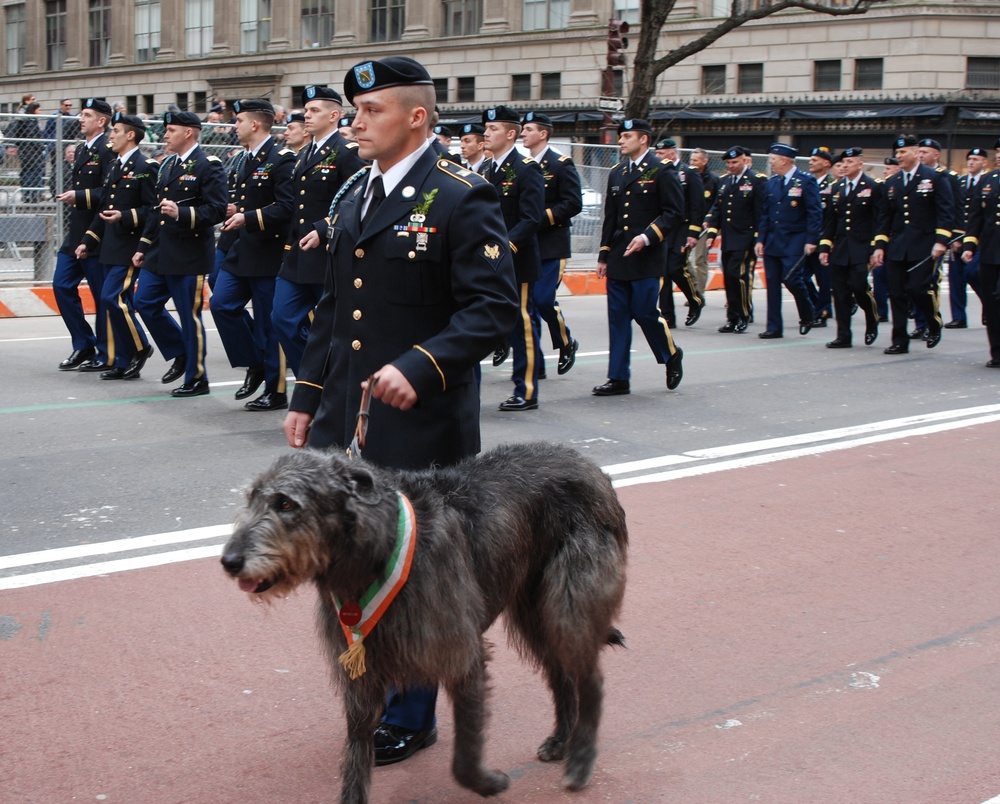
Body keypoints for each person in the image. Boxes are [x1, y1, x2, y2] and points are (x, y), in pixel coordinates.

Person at [284, 55, 518, 766]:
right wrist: (306, 396)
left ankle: (412, 712)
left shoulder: (459, 196)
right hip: (345, 423)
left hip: (419, 423)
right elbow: (333, 310)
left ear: (416, 117)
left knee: (413, 571)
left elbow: (493, 309)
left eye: (371, 110)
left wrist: (420, 364)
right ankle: (368, 685)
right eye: (353, 111)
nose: (356, 122)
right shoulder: (356, 191)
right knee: (348, 563)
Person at [132, 110, 227, 396]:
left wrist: (183, 212)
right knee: (144, 302)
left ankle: (197, 378)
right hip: (160, 252)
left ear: (188, 132)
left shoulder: (208, 165)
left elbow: (218, 209)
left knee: (190, 316)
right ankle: (180, 351)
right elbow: (154, 211)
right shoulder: (168, 165)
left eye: (170, 130)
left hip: (189, 254)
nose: (165, 135)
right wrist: (142, 247)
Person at [273, 85, 365, 376]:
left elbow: (359, 199)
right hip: (298, 255)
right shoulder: (304, 153)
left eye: (315, 111)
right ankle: (311, 380)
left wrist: (326, 227)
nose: (307, 116)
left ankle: (327, 387)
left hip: (328, 253)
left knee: (333, 329)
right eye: (306, 110)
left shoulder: (347, 152)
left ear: (334, 115)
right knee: (283, 318)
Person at [210, 99, 297, 411]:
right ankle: (255, 363)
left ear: (255, 124)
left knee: (268, 322)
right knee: (220, 304)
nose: (235, 126)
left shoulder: (281, 159)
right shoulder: (243, 160)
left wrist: (247, 216)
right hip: (241, 248)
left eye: (238, 121)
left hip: (268, 251)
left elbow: (288, 207)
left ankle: (276, 391)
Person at [593, 118, 684, 396]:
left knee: (645, 312)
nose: (621, 141)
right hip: (620, 255)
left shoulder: (662, 170)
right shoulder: (617, 172)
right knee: (617, 317)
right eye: (620, 136)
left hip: (648, 256)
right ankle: (618, 377)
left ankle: (671, 354)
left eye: (627, 136)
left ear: (643, 139)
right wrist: (604, 253)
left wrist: (647, 237)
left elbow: (674, 213)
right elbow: (611, 217)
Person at [75, 112, 158, 380]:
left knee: (113, 297)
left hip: (130, 247)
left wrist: (128, 219)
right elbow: (104, 208)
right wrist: (88, 240)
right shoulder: (114, 167)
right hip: (111, 245)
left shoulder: (146, 166)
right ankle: (122, 359)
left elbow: (151, 210)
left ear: (130, 135)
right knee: (111, 300)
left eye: (116, 131)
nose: (111, 135)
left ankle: (140, 346)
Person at [482, 105, 545, 411]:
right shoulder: (485, 170)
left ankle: (527, 390)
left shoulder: (526, 168)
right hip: (486, 261)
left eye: (493, 129)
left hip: (515, 261)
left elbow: (531, 218)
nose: (486, 133)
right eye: (486, 128)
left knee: (522, 326)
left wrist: (506, 247)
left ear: (510, 134)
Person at [871, 135, 956, 355]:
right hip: (898, 247)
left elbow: (945, 212)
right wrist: (880, 246)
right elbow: (885, 219)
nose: (899, 156)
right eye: (897, 153)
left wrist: (941, 241)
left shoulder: (934, 178)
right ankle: (899, 340)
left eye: (903, 152)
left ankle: (932, 322)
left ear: (916, 152)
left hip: (925, 246)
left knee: (919, 289)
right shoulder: (893, 183)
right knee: (897, 293)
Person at [53, 98, 115, 372]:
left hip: (98, 234)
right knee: (61, 286)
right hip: (75, 233)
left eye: (87, 115)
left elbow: (110, 194)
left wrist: (78, 196)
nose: (80, 118)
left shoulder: (108, 150)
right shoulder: (81, 149)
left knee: (102, 296)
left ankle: (105, 352)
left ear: (101, 121)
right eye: (81, 114)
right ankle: (83, 343)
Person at [520, 111, 582, 377]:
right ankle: (537, 363)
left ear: (543, 134)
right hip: (527, 243)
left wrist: (540, 219)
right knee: (528, 306)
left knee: (544, 300)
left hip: (551, 244)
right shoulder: (520, 164)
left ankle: (566, 341)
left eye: (529, 129)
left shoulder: (560, 163)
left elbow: (573, 203)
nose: (523, 133)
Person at [817, 147, 883, 348]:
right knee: (840, 292)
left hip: (862, 248)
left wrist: (875, 248)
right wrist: (825, 247)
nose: (845, 166)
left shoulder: (872, 186)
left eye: (850, 163)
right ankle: (843, 335)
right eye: (843, 163)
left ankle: (872, 318)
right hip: (841, 248)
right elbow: (830, 221)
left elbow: (878, 219)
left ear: (860, 164)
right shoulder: (836, 188)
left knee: (858, 286)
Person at [754, 143, 820, 338]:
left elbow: (814, 212)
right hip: (773, 240)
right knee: (772, 284)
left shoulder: (805, 181)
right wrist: (760, 239)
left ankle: (807, 310)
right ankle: (774, 327)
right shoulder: (772, 182)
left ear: (784, 160)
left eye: (773, 159)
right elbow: (766, 214)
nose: (771, 163)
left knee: (792, 278)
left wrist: (812, 239)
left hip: (795, 240)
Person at [703, 146, 764, 333]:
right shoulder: (725, 181)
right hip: (729, 238)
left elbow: (760, 212)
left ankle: (744, 315)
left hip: (746, 237)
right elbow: (718, 209)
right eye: (728, 163)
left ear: (744, 160)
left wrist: (758, 238)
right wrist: (712, 233)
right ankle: (732, 317)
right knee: (729, 278)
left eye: (734, 162)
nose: (731, 166)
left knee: (739, 278)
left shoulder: (756, 180)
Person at [653, 136, 705, 328]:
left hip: (683, 228)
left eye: (661, 153)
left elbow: (698, 205)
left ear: (672, 152)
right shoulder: (658, 171)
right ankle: (667, 316)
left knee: (675, 267)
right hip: (665, 228)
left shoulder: (688, 172)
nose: (657, 156)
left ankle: (695, 300)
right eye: (656, 153)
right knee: (663, 273)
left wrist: (693, 232)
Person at [960, 157, 1000, 367]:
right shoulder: (987, 180)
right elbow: (976, 217)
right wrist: (969, 246)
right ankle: (997, 353)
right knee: (992, 304)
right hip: (991, 250)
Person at [946, 147, 989, 329]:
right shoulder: (960, 182)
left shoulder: (988, 182)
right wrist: (955, 237)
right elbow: (954, 210)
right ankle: (959, 316)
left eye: (976, 159)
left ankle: (989, 305)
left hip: (979, 238)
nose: (971, 162)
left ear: (984, 163)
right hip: (959, 237)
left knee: (972, 272)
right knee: (956, 278)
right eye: (970, 159)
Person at [804, 147, 837, 326]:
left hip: (824, 240)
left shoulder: (833, 185)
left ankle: (823, 311)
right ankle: (817, 304)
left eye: (815, 160)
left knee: (823, 279)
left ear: (826, 164)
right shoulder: (808, 183)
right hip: (808, 239)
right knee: (800, 276)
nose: (811, 162)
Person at [687, 147, 718, 297]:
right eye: (691, 160)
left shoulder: (713, 180)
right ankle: (693, 287)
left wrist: (710, 220)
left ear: (704, 161)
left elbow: (717, 203)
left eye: (695, 160)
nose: (692, 163)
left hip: (705, 225)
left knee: (700, 258)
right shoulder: (686, 176)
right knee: (683, 259)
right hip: (688, 224)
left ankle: (699, 294)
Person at [8, 102, 45, 203]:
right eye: (39, 110)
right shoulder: (31, 121)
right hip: (31, 153)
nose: (40, 112)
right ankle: (30, 195)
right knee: (31, 174)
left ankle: (29, 195)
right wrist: (42, 146)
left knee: (28, 173)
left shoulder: (29, 121)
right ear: (34, 110)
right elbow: (33, 136)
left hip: (28, 152)